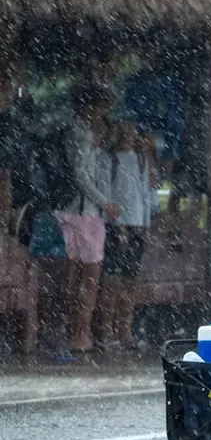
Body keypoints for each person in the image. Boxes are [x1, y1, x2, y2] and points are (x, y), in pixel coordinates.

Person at [57, 82, 121, 356]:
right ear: (90, 108)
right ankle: (79, 334)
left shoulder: (77, 134)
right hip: (83, 214)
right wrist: (105, 203)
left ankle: (77, 332)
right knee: (88, 278)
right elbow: (82, 176)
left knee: (78, 277)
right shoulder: (81, 135)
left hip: (78, 212)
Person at [97, 120, 153, 351]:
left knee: (130, 281)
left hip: (137, 225)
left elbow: (146, 195)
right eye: (125, 132)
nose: (130, 136)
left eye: (133, 131)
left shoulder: (141, 160)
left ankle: (125, 331)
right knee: (111, 281)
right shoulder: (108, 159)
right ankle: (106, 331)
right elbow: (106, 193)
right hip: (116, 225)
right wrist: (117, 225)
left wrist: (145, 226)